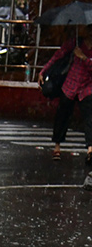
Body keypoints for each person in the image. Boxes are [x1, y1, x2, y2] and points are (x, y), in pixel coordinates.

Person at [39, 27, 92, 168]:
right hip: (70, 85)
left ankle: (90, 149)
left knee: (89, 118)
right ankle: (57, 146)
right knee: (62, 115)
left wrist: (84, 58)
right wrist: (44, 71)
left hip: (87, 87)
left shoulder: (83, 50)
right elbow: (59, 55)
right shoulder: (75, 43)